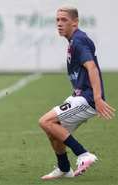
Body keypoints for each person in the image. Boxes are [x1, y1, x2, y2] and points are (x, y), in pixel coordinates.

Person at [39, 6, 115, 180]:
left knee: (46, 121)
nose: (59, 24)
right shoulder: (74, 40)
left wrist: (97, 97)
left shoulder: (79, 40)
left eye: (64, 20)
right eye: (57, 20)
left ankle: (83, 154)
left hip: (87, 98)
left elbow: (92, 68)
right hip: (80, 95)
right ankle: (64, 169)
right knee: (54, 132)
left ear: (75, 22)